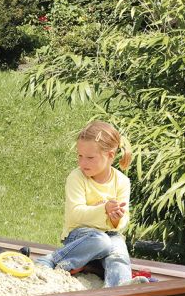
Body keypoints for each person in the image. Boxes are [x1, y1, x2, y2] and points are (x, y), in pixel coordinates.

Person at [37, 120, 147, 287]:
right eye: (80, 156)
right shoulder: (77, 177)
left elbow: (122, 222)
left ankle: (118, 286)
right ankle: (52, 260)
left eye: (89, 158)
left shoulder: (122, 181)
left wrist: (115, 218)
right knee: (101, 240)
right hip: (80, 235)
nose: (82, 163)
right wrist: (103, 209)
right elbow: (76, 214)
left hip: (110, 234)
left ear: (110, 155)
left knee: (118, 251)